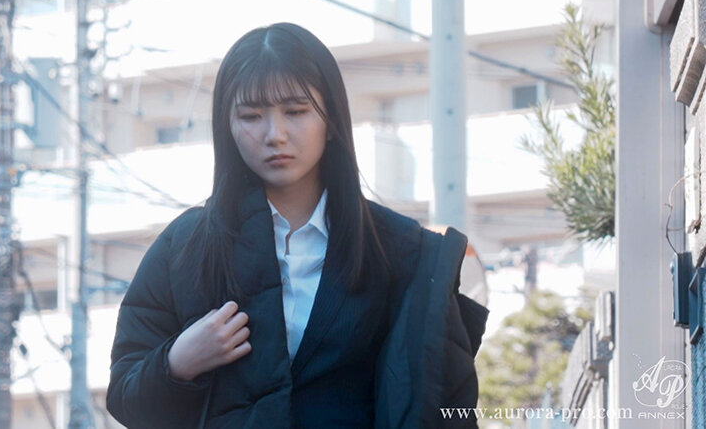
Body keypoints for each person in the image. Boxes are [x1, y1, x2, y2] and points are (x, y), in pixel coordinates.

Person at [106, 22, 486, 429]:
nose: (275, 134)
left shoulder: (402, 251)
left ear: (331, 118)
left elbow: (450, 403)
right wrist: (177, 362)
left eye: (296, 111)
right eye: (251, 115)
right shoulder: (184, 247)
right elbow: (125, 399)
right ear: (227, 126)